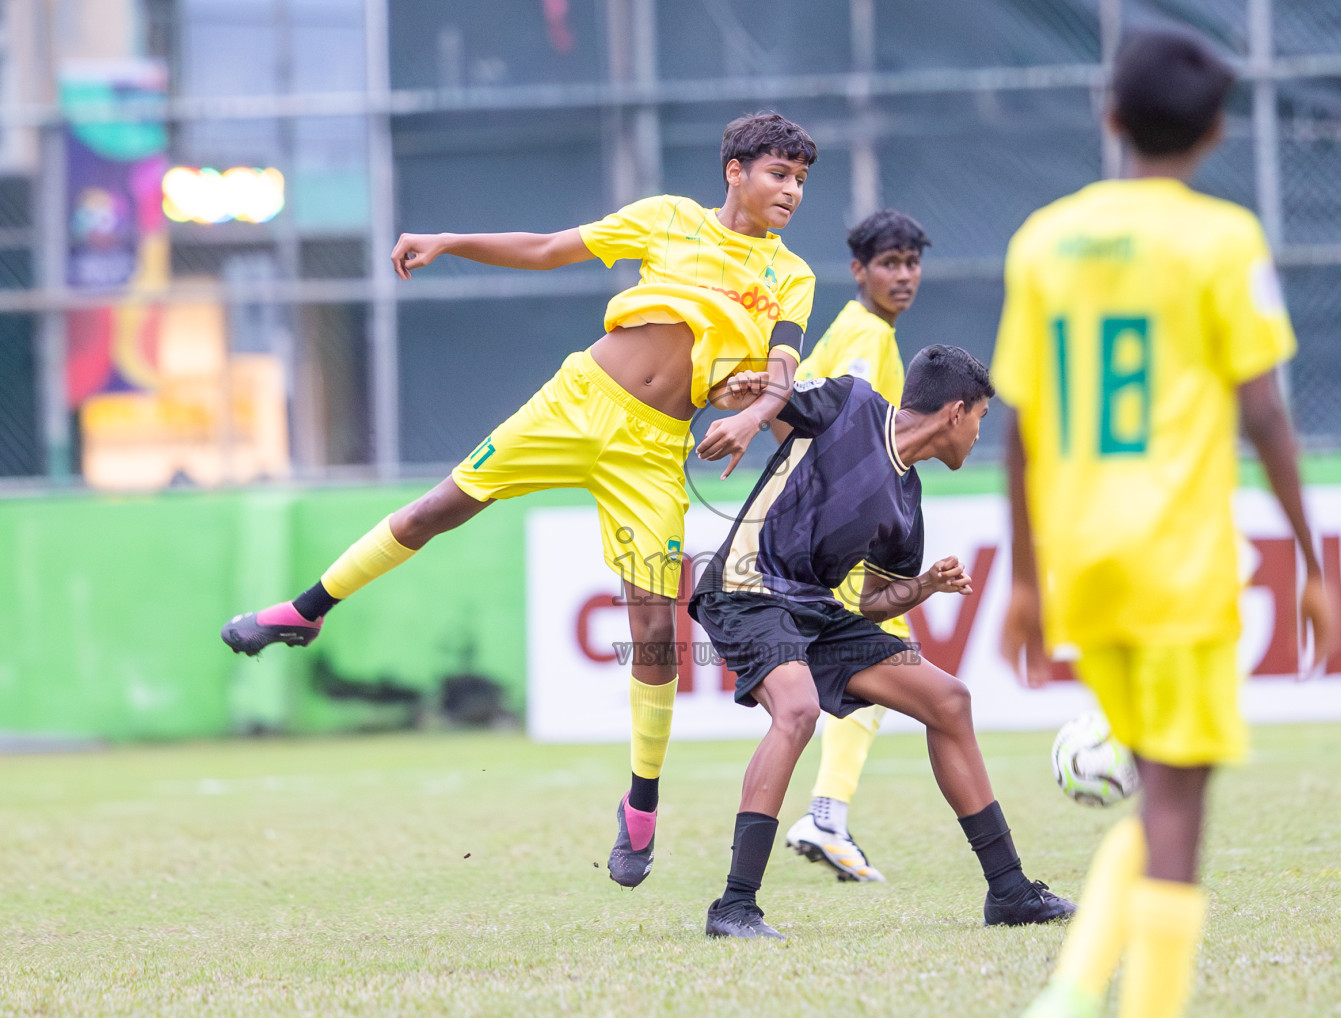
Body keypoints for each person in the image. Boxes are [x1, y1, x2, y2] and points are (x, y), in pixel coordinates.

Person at [220, 112, 820, 891]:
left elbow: (781, 371)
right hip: (577, 401)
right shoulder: (667, 217)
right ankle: (304, 610)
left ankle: (641, 803)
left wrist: (747, 410)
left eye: (802, 180)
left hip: (651, 450)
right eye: (779, 174)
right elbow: (546, 248)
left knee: (653, 623)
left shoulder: (791, 275)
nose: (792, 191)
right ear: (735, 170)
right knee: (437, 508)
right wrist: (448, 241)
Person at [993, 29, 1341, 1018]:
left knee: (1156, 796)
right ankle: (1117, 1004)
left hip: (1082, 560)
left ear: (1110, 117)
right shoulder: (1221, 240)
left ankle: (1067, 991)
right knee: (1180, 809)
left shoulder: (1043, 240)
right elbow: (1264, 412)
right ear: (1217, 130)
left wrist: (1023, 579)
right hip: (1182, 563)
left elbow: (1017, 423)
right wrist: (1311, 563)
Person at [688, 346, 1076, 939]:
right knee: (796, 710)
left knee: (949, 701)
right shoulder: (851, 402)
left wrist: (923, 586)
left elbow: (873, 602)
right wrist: (746, 415)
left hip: (815, 609)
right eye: (980, 419)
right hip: (746, 588)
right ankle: (734, 907)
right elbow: (770, 393)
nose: (978, 434)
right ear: (955, 412)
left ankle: (1010, 891)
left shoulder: (908, 500)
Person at [781, 208, 931, 884]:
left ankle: (827, 814)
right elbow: (855, 424)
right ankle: (824, 813)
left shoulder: (850, 326)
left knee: (868, 665)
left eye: (910, 263)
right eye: (889, 264)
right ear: (859, 271)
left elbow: (799, 409)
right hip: (837, 529)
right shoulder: (868, 336)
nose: (903, 276)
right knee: (884, 657)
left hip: (820, 519)